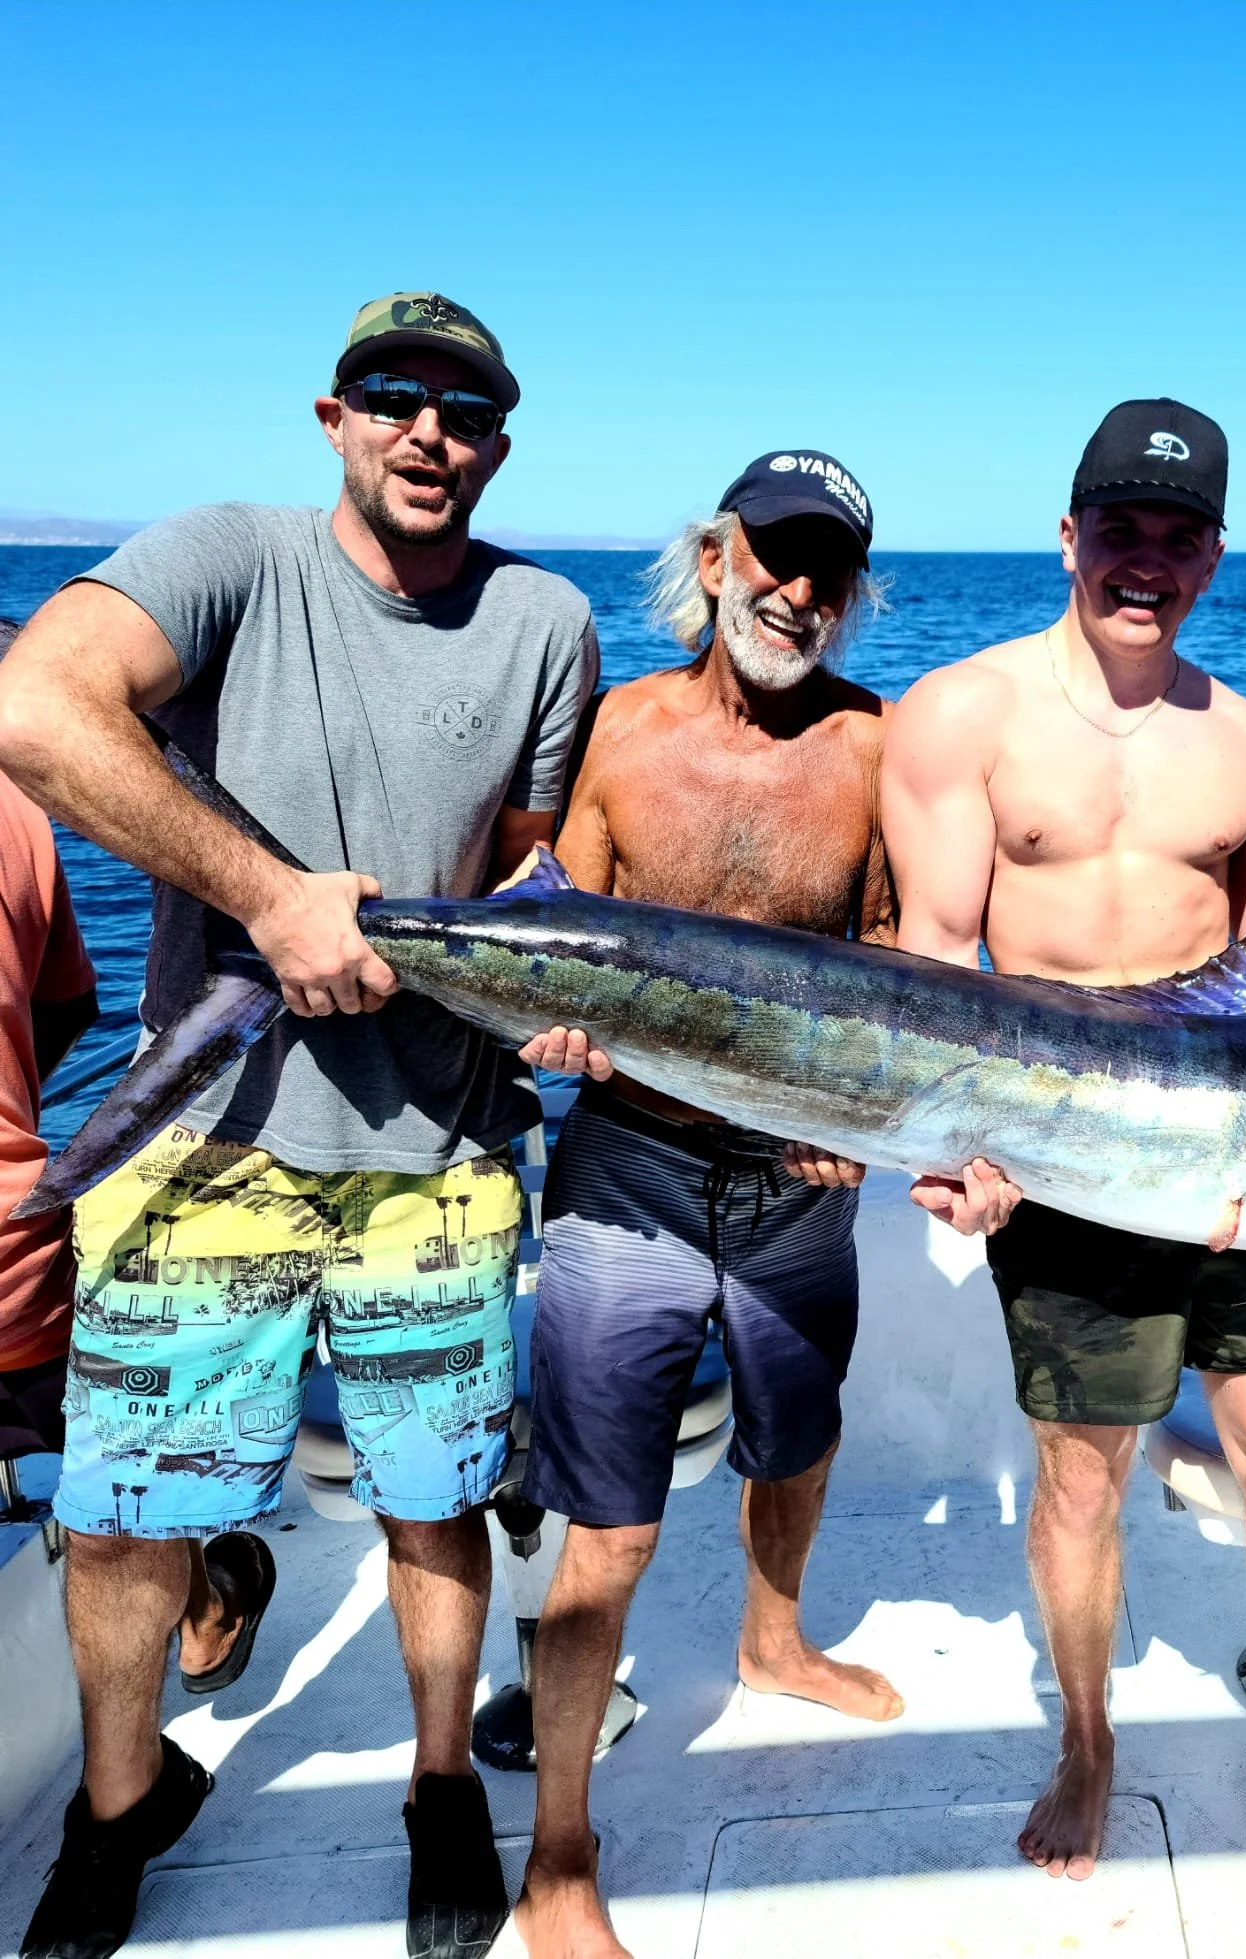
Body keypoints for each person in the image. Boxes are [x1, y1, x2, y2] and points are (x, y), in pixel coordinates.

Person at [0, 294, 600, 1959]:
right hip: (206, 1150)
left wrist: (551, 1000)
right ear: (332, 416)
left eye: (466, 410)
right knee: (129, 1514)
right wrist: (273, 902)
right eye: (395, 398)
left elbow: (522, 883)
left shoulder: (547, 619)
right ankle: (121, 1807)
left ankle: (432, 1786)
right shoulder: (228, 555)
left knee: (436, 1496)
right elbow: (36, 708)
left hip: (444, 1157)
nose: (430, 431)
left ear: (500, 440)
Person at [880, 399, 1246, 1907]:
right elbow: (934, 958)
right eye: (1120, 528)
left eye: (1179, 534)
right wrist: (952, 1149)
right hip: (1060, 1159)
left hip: (1240, 1166)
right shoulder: (959, 711)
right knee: (1080, 1478)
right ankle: (1085, 1738)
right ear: (1068, 531)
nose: (1147, 560)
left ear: (1214, 553)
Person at [509, 452, 899, 1959]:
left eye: (830, 569)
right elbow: (564, 924)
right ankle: (556, 1850)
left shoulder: (878, 744)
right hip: (631, 1159)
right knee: (605, 1527)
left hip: (800, 1177)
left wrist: (854, 1125)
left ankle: (775, 1635)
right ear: (718, 554)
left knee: (795, 1438)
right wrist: (549, 1037)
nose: (797, 590)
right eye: (775, 554)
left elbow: (888, 953)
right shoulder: (622, 727)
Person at [0, 618, 100, 1462]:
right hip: (12, 1275)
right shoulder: (16, 812)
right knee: (124, 1482)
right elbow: (67, 1003)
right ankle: (205, 1601)